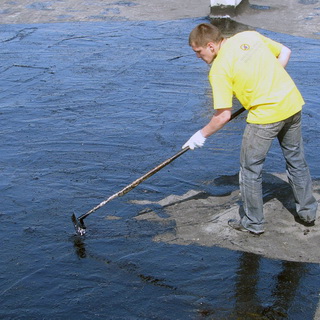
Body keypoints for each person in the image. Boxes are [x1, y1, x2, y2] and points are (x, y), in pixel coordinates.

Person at [182, 23, 318, 235]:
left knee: (250, 169)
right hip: (292, 103)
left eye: (198, 52)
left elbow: (223, 116)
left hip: (265, 117)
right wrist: (266, 82)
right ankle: (308, 214)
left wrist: (200, 135)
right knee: (296, 160)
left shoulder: (219, 70)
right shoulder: (249, 36)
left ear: (210, 45)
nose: (197, 57)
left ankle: (253, 223)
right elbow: (285, 52)